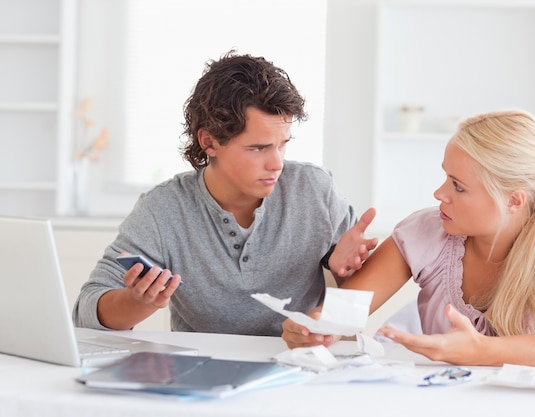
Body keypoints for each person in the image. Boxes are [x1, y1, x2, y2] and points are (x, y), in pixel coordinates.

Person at [72, 51, 378, 336]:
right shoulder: (163, 209)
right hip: (200, 374)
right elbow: (86, 312)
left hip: (296, 363)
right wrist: (139, 302)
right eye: (258, 148)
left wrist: (346, 273)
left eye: (283, 143)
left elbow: (359, 297)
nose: (277, 163)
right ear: (209, 141)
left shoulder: (315, 191)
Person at [282, 109, 535, 366]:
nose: (439, 193)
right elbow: (344, 312)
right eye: (446, 176)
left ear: (514, 200)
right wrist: (314, 327)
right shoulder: (427, 232)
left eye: (458, 186)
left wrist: (482, 351)